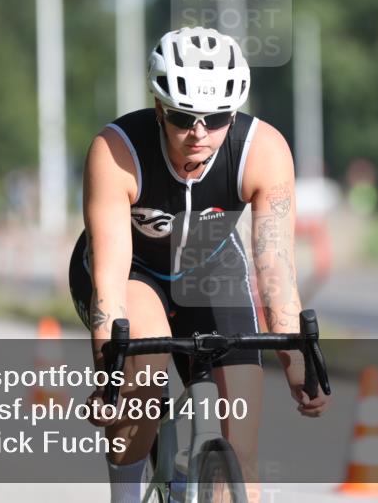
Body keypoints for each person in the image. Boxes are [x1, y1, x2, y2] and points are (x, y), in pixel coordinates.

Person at [69, 26, 330, 503]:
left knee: (242, 446)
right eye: (182, 116)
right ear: (158, 109)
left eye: (215, 119)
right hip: (132, 271)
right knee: (141, 389)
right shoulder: (116, 152)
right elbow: (109, 281)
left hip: (212, 269)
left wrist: (297, 362)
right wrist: (110, 380)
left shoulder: (263, 151)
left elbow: (275, 268)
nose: (198, 133)